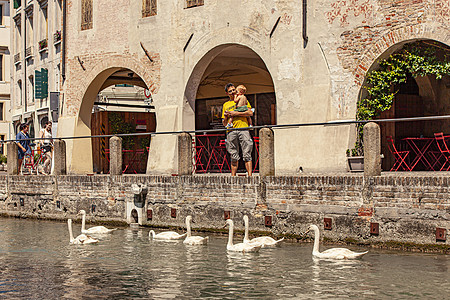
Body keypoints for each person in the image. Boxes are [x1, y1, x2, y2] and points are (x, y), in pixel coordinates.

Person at [222, 83, 254, 176]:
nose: (232, 92)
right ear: (227, 93)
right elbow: (224, 123)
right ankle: (233, 177)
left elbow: (250, 113)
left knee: (247, 152)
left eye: (233, 90)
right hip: (231, 131)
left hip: (243, 128)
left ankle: (250, 176)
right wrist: (225, 117)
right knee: (233, 154)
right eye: (230, 91)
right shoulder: (226, 104)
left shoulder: (243, 98)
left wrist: (235, 114)